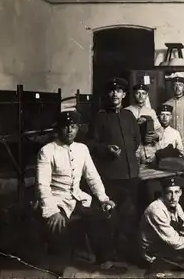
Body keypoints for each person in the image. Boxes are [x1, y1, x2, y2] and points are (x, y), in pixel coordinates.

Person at [36, 111, 125, 275]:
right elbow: (43, 185)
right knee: (57, 225)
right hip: (57, 200)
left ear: (77, 129)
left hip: (78, 198)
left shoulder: (82, 149)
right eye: (65, 127)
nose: (69, 130)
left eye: (73, 126)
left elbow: (92, 177)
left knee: (105, 215)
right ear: (59, 129)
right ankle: (57, 268)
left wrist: (104, 199)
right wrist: (53, 211)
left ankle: (104, 261)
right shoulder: (47, 151)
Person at [86, 77, 142, 263]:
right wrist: (106, 149)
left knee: (130, 215)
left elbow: (136, 140)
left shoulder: (129, 116)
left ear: (124, 95)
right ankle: (106, 256)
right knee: (109, 216)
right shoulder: (100, 117)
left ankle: (127, 253)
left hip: (131, 174)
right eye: (111, 91)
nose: (115, 94)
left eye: (119, 91)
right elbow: (90, 143)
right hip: (111, 176)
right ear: (107, 95)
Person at [125, 83, 163, 164]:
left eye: (143, 93)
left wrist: (156, 136)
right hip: (133, 151)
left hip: (149, 152)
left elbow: (160, 129)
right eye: (138, 93)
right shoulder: (126, 111)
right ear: (134, 94)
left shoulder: (151, 112)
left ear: (146, 95)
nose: (141, 96)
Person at [163, 77, 184, 149]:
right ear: (173, 87)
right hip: (170, 144)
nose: (177, 87)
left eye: (180, 85)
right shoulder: (166, 104)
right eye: (175, 85)